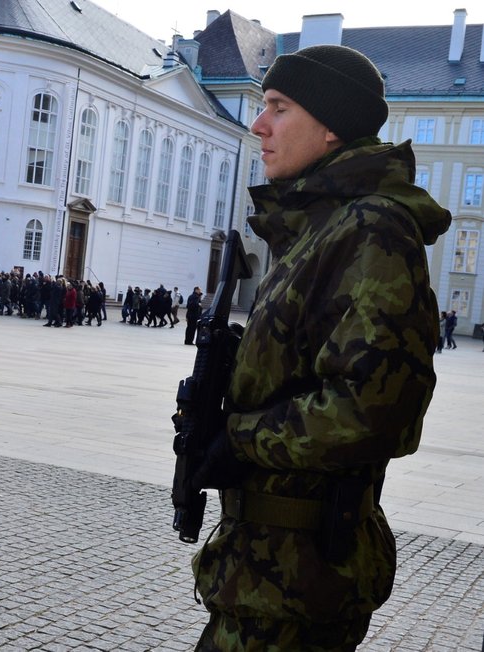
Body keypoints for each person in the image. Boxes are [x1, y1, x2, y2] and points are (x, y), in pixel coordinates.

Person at [189, 45, 451, 650]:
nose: (259, 125)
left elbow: (375, 411)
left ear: (330, 126)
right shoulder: (320, 228)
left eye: (278, 108)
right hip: (263, 575)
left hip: (300, 583)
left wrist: (240, 438)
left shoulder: (371, 229)